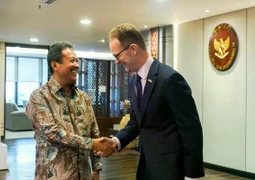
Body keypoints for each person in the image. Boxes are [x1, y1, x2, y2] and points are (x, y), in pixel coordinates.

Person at [108, 23, 205, 180]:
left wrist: (192, 175)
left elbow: (190, 129)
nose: (116, 62)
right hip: (146, 166)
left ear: (133, 49)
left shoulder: (170, 79)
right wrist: (116, 141)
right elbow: (136, 122)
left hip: (172, 169)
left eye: (117, 55)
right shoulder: (133, 82)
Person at [25, 41, 115, 180]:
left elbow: (94, 132)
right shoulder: (39, 97)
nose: (77, 65)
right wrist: (91, 143)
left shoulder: (84, 98)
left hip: (83, 175)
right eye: (72, 61)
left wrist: (96, 168)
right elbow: (53, 132)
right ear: (55, 65)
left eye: (77, 61)